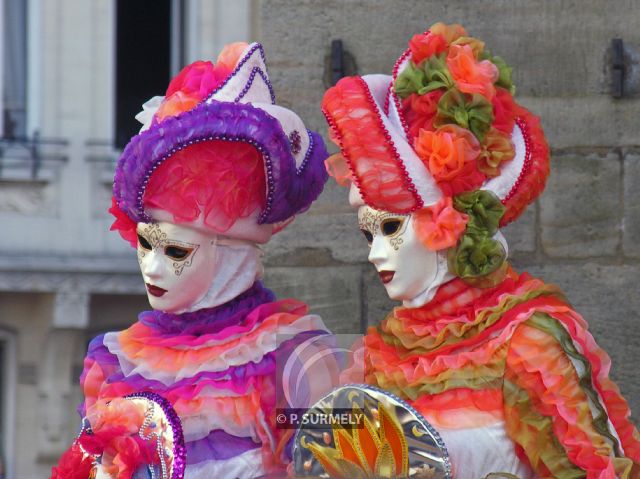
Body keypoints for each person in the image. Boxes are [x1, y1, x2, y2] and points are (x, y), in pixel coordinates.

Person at [321, 22, 640, 478]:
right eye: (367, 235)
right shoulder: (383, 356)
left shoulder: (526, 342)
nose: (376, 253)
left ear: (446, 224)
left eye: (391, 228)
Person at [51, 41, 332, 479]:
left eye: (176, 251)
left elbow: (324, 465)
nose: (151, 267)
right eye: (146, 244)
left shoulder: (291, 356)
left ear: (231, 256)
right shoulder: (120, 363)